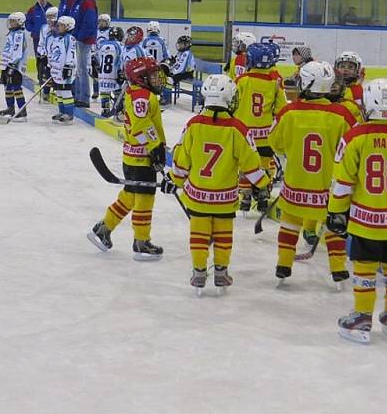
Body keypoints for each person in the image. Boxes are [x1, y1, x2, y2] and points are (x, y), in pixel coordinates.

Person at [327, 78, 387, 344]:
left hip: (364, 220)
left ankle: (362, 317)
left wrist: (336, 211)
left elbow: (343, 181)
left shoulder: (355, 136)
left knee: (365, 269)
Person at [162, 74, 270, 293]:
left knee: (199, 236)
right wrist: (264, 182)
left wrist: (174, 179)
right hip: (225, 198)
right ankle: (221, 272)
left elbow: (182, 159)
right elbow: (251, 162)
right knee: (223, 236)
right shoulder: (238, 128)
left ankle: (199, 272)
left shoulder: (193, 125)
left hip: (198, 197)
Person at [269, 61, 357, 285]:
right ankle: (338, 269)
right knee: (332, 227)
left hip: (295, 185)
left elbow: (275, 143)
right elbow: (353, 150)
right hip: (327, 189)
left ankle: (283, 265)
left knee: (289, 224)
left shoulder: (289, 112)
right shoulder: (342, 115)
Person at [88, 57, 168, 261]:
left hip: (132, 156)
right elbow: (142, 125)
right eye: (152, 75)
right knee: (144, 199)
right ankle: (141, 242)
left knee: (130, 196)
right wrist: (155, 148)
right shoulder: (142, 96)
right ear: (141, 78)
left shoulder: (138, 92)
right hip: (141, 158)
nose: (157, 79)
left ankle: (104, 228)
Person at [234, 43, 287, 213]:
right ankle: (264, 192)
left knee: (245, 165)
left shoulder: (242, 80)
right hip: (266, 135)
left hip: (244, 134)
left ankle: (247, 195)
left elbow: (232, 104)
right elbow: (281, 110)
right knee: (266, 162)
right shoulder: (275, 82)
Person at [39, 15, 77, 124]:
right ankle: (62, 112)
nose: (59, 27)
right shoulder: (57, 39)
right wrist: (50, 64)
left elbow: (72, 53)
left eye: (62, 25)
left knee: (66, 92)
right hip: (56, 70)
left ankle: (69, 114)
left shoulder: (70, 39)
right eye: (59, 25)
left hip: (66, 70)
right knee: (59, 92)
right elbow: (52, 53)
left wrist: (68, 66)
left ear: (68, 27)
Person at [67, 0, 98, 108]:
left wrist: (80, 36)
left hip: (84, 39)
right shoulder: (78, 1)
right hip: (78, 38)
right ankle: (79, 95)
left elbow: (89, 22)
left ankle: (84, 98)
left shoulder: (88, 2)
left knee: (82, 68)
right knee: (79, 69)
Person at [0, 12, 29, 120]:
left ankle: (22, 111)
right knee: (8, 87)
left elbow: (18, 52)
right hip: (8, 64)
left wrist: (12, 65)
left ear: (20, 22)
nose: (11, 22)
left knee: (16, 88)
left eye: (13, 21)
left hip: (15, 66)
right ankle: (10, 108)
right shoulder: (12, 33)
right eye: (10, 20)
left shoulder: (19, 34)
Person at [96, 26, 124, 118]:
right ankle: (119, 111)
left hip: (103, 74)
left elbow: (98, 59)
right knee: (118, 92)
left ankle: (105, 110)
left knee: (104, 92)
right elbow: (121, 59)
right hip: (114, 74)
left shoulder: (102, 45)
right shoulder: (119, 45)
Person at [25, 0, 53, 80]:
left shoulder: (52, 9)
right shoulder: (32, 10)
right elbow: (27, 22)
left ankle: (50, 77)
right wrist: (34, 30)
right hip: (37, 38)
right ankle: (40, 76)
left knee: (50, 57)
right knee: (39, 57)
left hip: (50, 38)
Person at [36, 6, 58, 101]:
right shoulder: (44, 28)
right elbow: (41, 43)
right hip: (46, 56)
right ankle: (46, 92)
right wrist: (42, 54)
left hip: (56, 58)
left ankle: (57, 91)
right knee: (45, 74)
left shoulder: (60, 29)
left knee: (57, 75)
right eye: (48, 17)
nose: (49, 19)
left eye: (52, 16)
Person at [91, 14, 112, 100]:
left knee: (107, 75)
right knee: (95, 75)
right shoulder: (95, 31)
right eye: (100, 21)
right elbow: (93, 42)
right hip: (96, 55)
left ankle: (108, 91)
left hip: (107, 55)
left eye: (104, 21)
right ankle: (96, 91)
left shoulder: (111, 32)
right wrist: (92, 52)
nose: (102, 23)